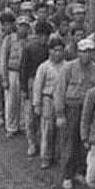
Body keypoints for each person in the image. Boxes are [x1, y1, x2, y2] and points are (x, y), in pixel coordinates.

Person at [55, 39, 95, 189]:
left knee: (85, 141)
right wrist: (60, 114)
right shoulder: (68, 68)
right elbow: (60, 91)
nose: (86, 55)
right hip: (72, 108)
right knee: (70, 142)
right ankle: (67, 175)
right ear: (78, 52)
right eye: (83, 51)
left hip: (88, 109)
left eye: (89, 51)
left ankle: (80, 170)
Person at [33, 37, 68, 169]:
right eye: (55, 50)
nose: (58, 53)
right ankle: (46, 157)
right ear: (50, 51)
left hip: (62, 101)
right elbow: (38, 86)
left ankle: (59, 156)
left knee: (62, 130)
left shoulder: (67, 66)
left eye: (60, 50)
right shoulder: (44, 67)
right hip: (48, 99)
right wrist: (37, 104)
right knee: (47, 129)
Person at [21, 21, 53, 156]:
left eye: (46, 35)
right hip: (32, 82)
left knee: (44, 117)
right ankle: (31, 143)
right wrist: (23, 88)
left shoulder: (50, 48)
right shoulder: (29, 48)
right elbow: (23, 69)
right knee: (30, 116)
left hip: (47, 83)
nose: (44, 38)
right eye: (41, 35)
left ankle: (43, 143)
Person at [0, 15, 30, 138]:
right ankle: (11, 126)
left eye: (25, 27)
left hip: (24, 73)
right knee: (11, 101)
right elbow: (3, 59)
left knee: (23, 101)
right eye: (21, 26)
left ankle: (22, 125)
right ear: (16, 26)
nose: (23, 29)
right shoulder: (9, 39)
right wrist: (5, 78)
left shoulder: (29, 41)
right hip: (12, 72)